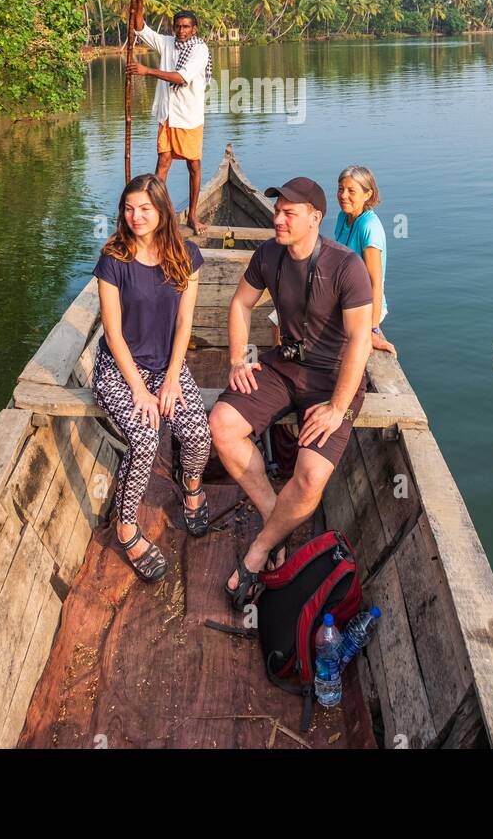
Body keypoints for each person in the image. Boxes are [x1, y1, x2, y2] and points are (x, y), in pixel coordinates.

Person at [209, 176, 373, 609]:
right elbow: (241, 304)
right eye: (277, 211)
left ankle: (259, 549)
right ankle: (273, 518)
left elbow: (359, 339)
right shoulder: (268, 254)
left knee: (311, 476)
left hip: (335, 378)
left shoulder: (346, 266)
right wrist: (238, 359)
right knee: (222, 425)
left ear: (315, 219)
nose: (277, 219)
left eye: (288, 213)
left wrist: (338, 407)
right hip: (285, 365)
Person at [92, 172, 212, 582]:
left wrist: (173, 378)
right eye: (128, 208)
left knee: (197, 432)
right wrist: (141, 390)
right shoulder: (114, 259)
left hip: (167, 366)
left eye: (144, 208)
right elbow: (112, 333)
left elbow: (184, 324)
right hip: (119, 368)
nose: (136, 216)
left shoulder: (186, 256)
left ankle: (191, 487)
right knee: (145, 437)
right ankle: (126, 526)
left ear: (162, 210)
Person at [126, 0, 212, 236]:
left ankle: (193, 215)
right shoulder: (167, 43)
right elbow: (139, 27)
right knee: (162, 162)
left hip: (189, 118)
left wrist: (146, 70)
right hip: (167, 115)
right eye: (178, 26)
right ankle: (157, 213)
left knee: (193, 166)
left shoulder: (199, 50)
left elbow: (181, 77)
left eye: (186, 27)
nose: (181, 30)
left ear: (194, 29)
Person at [334, 165, 396, 355]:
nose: (343, 195)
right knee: (279, 316)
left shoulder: (369, 227)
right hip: (342, 295)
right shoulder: (343, 216)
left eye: (351, 191)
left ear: (367, 194)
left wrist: (372, 329)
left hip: (363, 306)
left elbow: (376, 283)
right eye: (340, 189)